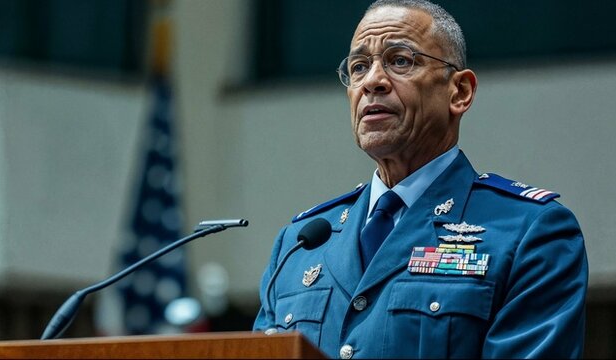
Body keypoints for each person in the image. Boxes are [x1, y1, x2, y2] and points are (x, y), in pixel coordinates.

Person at [252, 0, 588, 358]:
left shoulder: (530, 232)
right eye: (359, 67)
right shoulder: (301, 246)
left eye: (400, 61)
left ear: (459, 92)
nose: (373, 82)